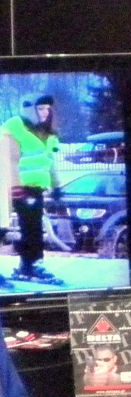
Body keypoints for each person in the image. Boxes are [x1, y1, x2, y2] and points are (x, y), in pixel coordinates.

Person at [0, 93, 63, 284]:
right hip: (11, 186)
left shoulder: (47, 133)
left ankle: (30, 265)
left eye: (47, 108)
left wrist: (56, 185)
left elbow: (50, 162)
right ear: (30, 109)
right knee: (5, 227)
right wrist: (15, 187)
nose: (45, 112)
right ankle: (30, 265)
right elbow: (9, 160)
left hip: (34, 188)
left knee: (32, 228)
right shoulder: (14, 128)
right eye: (41, 108)